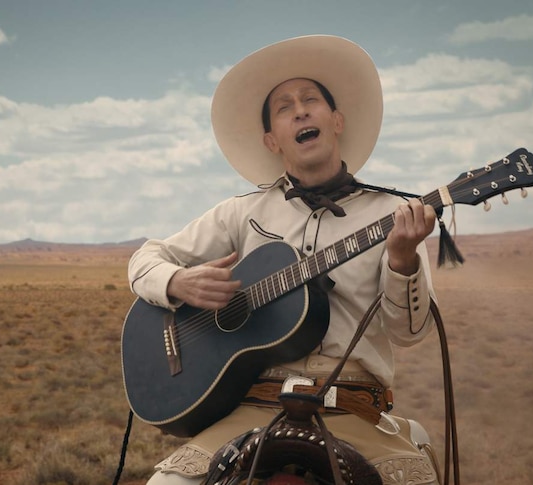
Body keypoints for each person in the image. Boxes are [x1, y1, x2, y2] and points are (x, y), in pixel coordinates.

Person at [128, 35, 441, 484]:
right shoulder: (242, 212)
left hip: (351, 406)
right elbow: (145, 258)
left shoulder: (389, 216)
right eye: (284, 106)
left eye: (311, 99)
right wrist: (178, 282)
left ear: (335, 120)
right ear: (273, 140)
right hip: (252, 405)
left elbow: (410, 333)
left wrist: (403, 261)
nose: (300, 110)